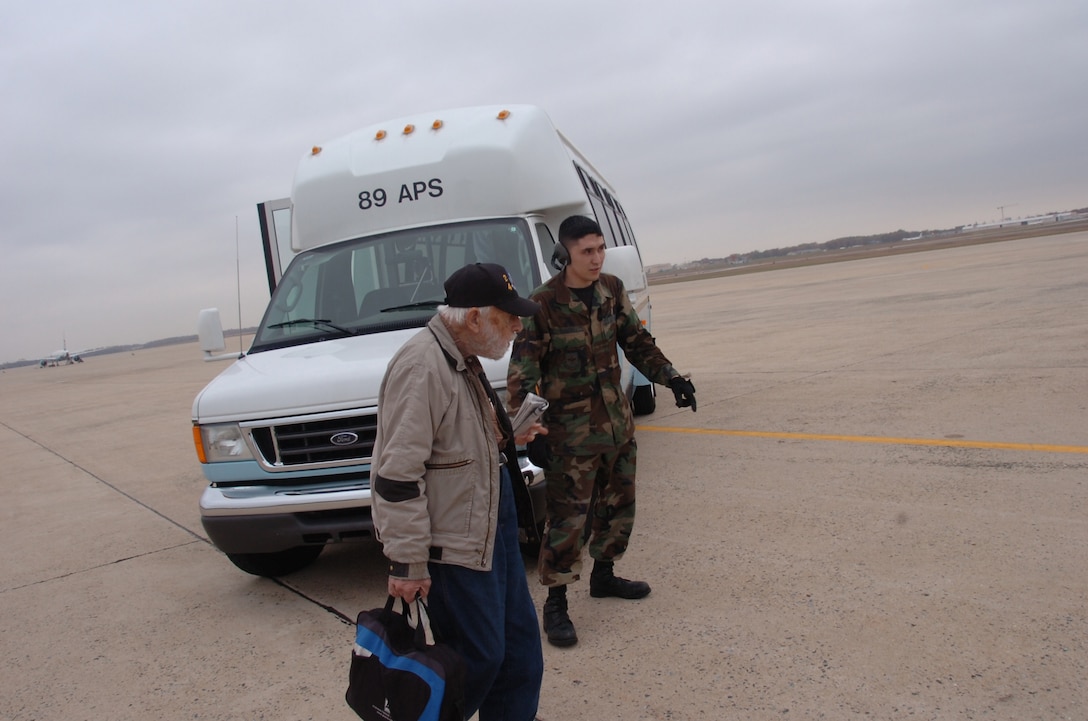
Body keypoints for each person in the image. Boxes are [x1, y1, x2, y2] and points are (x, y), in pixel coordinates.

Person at [507, 215, 697, 648]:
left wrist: (672, 379)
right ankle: (556, 604)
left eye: (600, 248)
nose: (596, 258)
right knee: (567, 522)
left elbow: (636, 342)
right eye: (586, 251)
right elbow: (522, 374)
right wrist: (530, 433)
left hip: (616, 426)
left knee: (618, 506)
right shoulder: (543, 303)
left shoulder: (611, 289)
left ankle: (604, 576)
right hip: (569, 437)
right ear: (565, 254)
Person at [371, 262, 546, 721]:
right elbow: (396, 473)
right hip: (456, 549)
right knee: (477, 660)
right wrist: (407, 561)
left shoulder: (462, 358)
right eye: (507, 317)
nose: (516, 326)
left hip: (492, 532)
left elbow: (454, 443)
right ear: (474, 317)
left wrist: (507, 436)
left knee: (520, 654)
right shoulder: (421, 365)